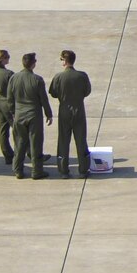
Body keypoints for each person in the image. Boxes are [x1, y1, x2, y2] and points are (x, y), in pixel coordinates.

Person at [5, 52, 52, 179]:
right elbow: (43, 99)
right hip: (34, 115)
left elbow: (9, 99)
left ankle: (18, 170)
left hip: (19, 115)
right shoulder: (37, 79)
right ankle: (37, 171)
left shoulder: (13, 78)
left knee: (20, 143)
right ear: (33, 64)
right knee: (35, 143)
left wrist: (14, 112)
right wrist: (49, 114)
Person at [49, 50, 91, 180]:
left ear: (65, 61)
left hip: (64, 110)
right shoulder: (82, 76)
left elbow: (53, 93)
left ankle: (63, 170)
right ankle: (83, 169)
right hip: (79, 109)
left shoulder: (58, 77)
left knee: (63, 140)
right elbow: (87, 91)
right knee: (81, 140)